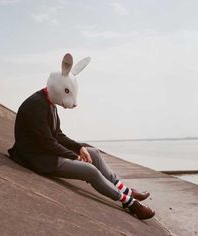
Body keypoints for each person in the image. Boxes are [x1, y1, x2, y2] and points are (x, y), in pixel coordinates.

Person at [8, 53, 155, 220]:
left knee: (94, 153)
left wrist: (80, 148)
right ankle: (130, 203)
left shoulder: (49, 103)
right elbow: (47, 143)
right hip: (38, 158)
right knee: (90, 171)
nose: (73, 103)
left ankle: (125, 189)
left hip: (47, 152)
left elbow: (58, 135)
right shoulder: (36, 105)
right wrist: (75, 156)